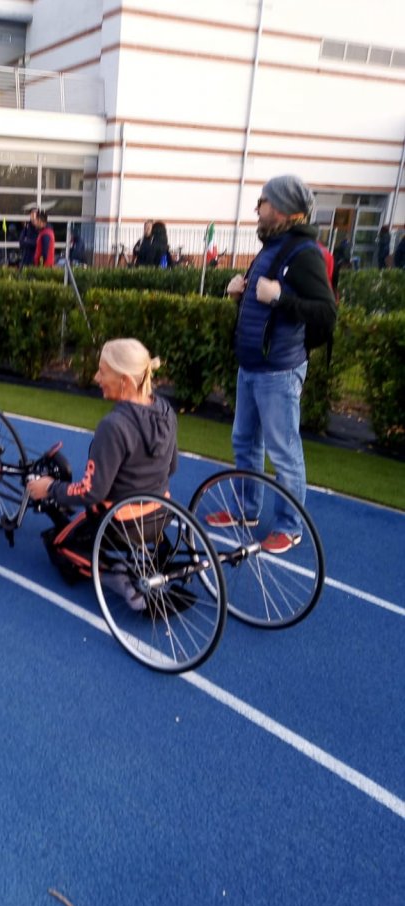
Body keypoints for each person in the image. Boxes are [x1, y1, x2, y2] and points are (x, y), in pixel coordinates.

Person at [213, 175, 337, 554]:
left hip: (279, 371)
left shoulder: (304, 254)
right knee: (245, 442)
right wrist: (241, 292)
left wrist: (280, 297)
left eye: (263, 202)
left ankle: (289, 526)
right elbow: (263, 303)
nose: (257, 208)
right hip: (251, 366)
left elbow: (326, 313)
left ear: (284, 209)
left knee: (284, 452)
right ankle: (247, 510)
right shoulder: (271, 247)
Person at [26, 337, 177, 603]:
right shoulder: (166, 410)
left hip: (120, 525)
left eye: (102, 372)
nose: (96, 378)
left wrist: (49, 487)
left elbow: (91, 492)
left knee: (58, 545)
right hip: (162, 514)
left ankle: (116, 575)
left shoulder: (113, 426)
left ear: (125, 381)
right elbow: (171, 466)